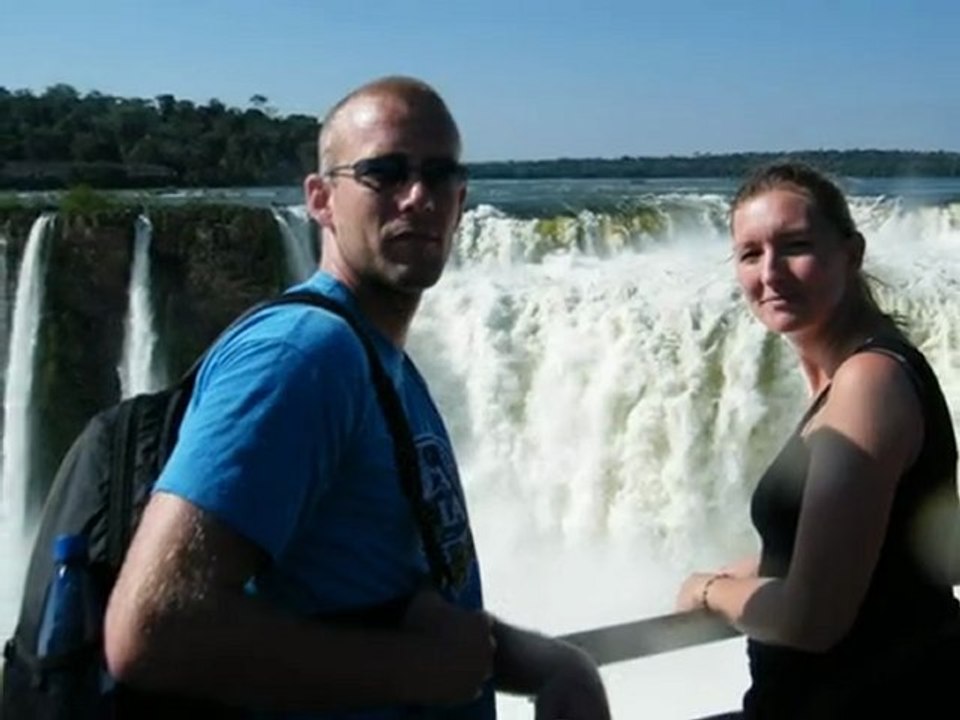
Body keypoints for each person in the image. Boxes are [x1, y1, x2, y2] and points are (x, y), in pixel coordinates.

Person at [103, 76, 610, 720]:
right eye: (384, 172)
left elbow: (392, 597)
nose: (419, 197)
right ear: (320, 199)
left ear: (463, 199)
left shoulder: (379, 360)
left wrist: (547, 661)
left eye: (440, 174)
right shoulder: (301, 357)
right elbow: (151, 631)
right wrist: (420, 671)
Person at [676, 162, 960, 718]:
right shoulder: (866, 371)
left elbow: (812, 621)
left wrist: (707, 590)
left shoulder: (867, 383)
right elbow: (916, 549)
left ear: (851, 254)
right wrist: (768, 561)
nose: (771, 273)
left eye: (796, 246)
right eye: (750, 254)